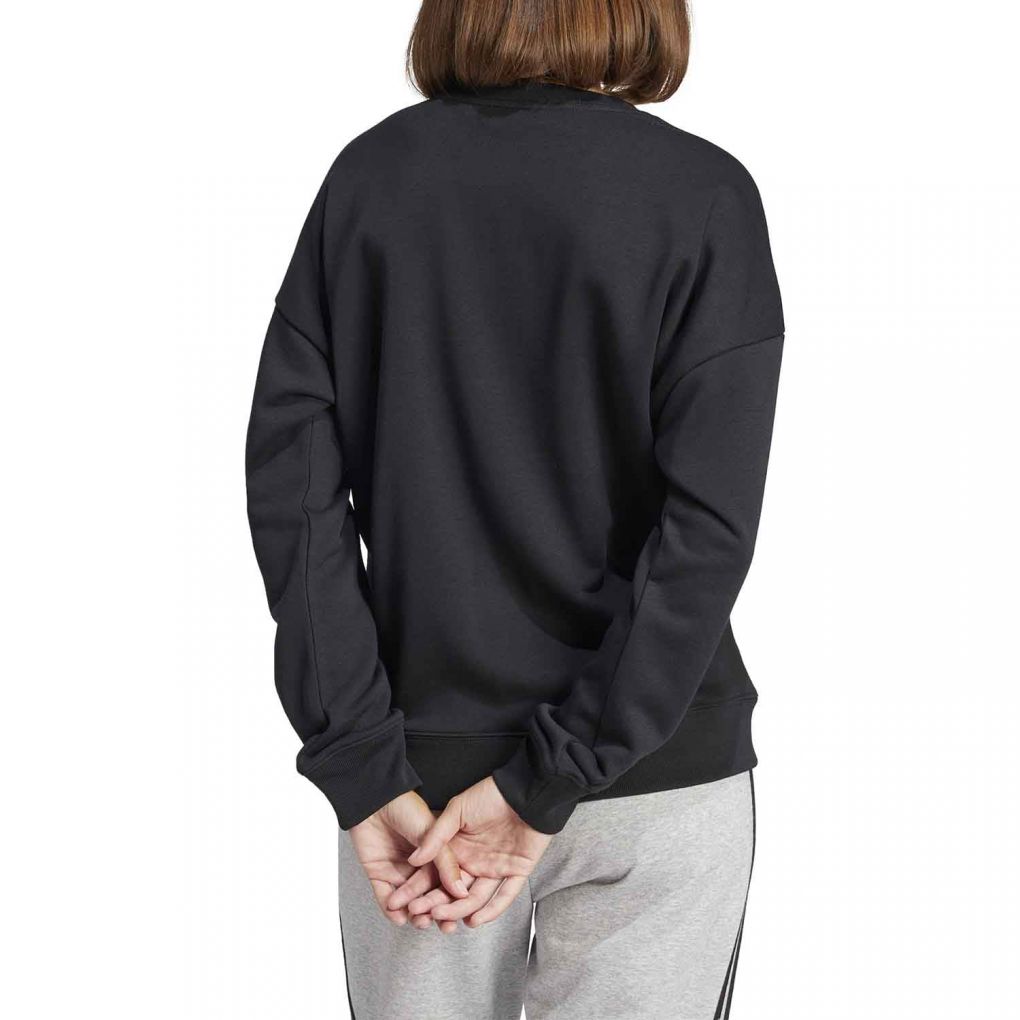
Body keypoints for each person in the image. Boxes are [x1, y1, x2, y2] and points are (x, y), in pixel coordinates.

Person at [245, 0, 783, 1016]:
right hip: (652, 774)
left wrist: (361, 760)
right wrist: (559, 769)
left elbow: (294, 490)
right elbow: (705, 532)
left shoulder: (371, 181)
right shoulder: (704, 193)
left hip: (419, 786)